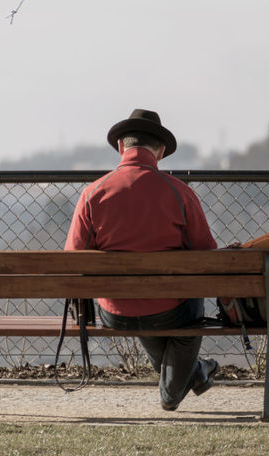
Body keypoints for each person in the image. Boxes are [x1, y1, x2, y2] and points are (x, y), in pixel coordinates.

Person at [65, 108, 219, 411]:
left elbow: (73, 260)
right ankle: (179, 386)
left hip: (113, 312)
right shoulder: (180, 193)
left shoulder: (92, 194)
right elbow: (206, 256)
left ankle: (197, 372)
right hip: (169, 310)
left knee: (144, 308)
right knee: (186, 306)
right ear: (160, 152)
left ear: (122, 146)